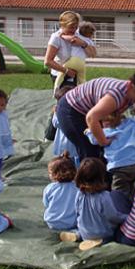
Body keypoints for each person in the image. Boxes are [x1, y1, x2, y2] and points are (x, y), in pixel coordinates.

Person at [56, 71, 135, 160]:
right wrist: (103, 142)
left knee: (103, 149)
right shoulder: (116, 95)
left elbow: (109, 119)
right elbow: (91, 118)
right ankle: (89, 180)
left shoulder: (130, 94)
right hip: (71, 110)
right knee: (90, 151)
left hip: (88, 111)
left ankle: (103, 177)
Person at [43, 11, 96, 141]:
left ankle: (73, 129)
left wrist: (82, 44)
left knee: (76, 102)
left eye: (75, 26)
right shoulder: (56, 38)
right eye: (71, 27)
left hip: (76, 75)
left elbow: (93, 53)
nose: (74, 30)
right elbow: (47, 61)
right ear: (62, 25)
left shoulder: (78, 36)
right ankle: (50, 135)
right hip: (61, 75)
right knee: (61, 104)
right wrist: (66, 71)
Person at [60, 158, 130, 251]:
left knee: (84, 227)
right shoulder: (104, 197)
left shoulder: (80, 194)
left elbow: (77, 211)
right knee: (117, 231)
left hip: (85, 231)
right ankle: (99, 241)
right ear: (101, 176)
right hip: (103, 233)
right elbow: (113, 216)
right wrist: (126, 218)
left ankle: (78, 235)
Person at [85, 111, 135, 198]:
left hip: (120, 166)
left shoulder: (106, 132)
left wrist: (88, 131)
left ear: (106, 122)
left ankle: (123, 207)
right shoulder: (129, 125)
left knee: (119, 192)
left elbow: (94, 139)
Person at [53, 21, 96, 93]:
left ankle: (56, 88)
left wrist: (62, 36)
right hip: (81, 63)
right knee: (82, 78)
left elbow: (71, 39)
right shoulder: (89, 41)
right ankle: (85, 92)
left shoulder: (76, 36)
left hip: (70, 61)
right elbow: (93, 54)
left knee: (61, 75)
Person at [43, 152, 78, 231]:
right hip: (72, 222)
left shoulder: (49, 188)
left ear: (53, 174)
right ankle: (76, 233)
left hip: (52, 222)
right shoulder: (77, 187)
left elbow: (46, 204)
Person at [52, 86, 79, 167]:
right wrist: (56, 113)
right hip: (62, 145)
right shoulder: (59, 110)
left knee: (76, 165)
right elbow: (55, 123)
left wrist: (57, 113)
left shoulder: (75, 110)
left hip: (73, 146)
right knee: (63, 165)